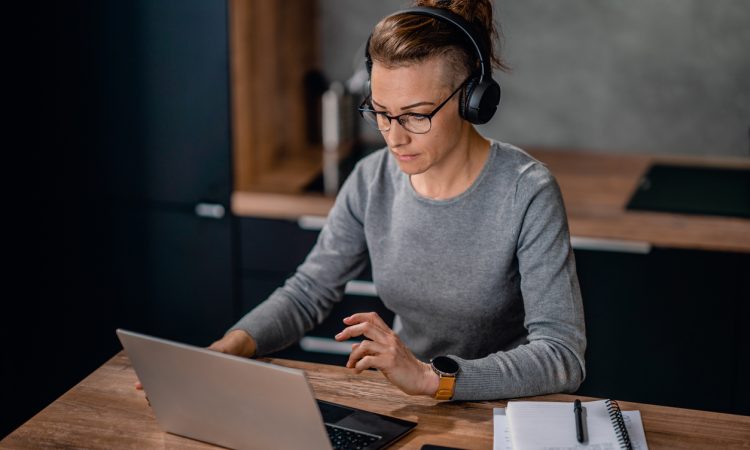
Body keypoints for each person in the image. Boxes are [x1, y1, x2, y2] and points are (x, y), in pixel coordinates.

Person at [210, 0, 586, 401]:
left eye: (415, 115)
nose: (394, 136)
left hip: (501, 411)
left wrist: (431, 378)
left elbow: (562, 355)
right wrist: (233, 345)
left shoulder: (526, 191)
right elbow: (307, 292)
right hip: (406, 402)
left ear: (471, 100)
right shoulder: (372, 180)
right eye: (381, 112)